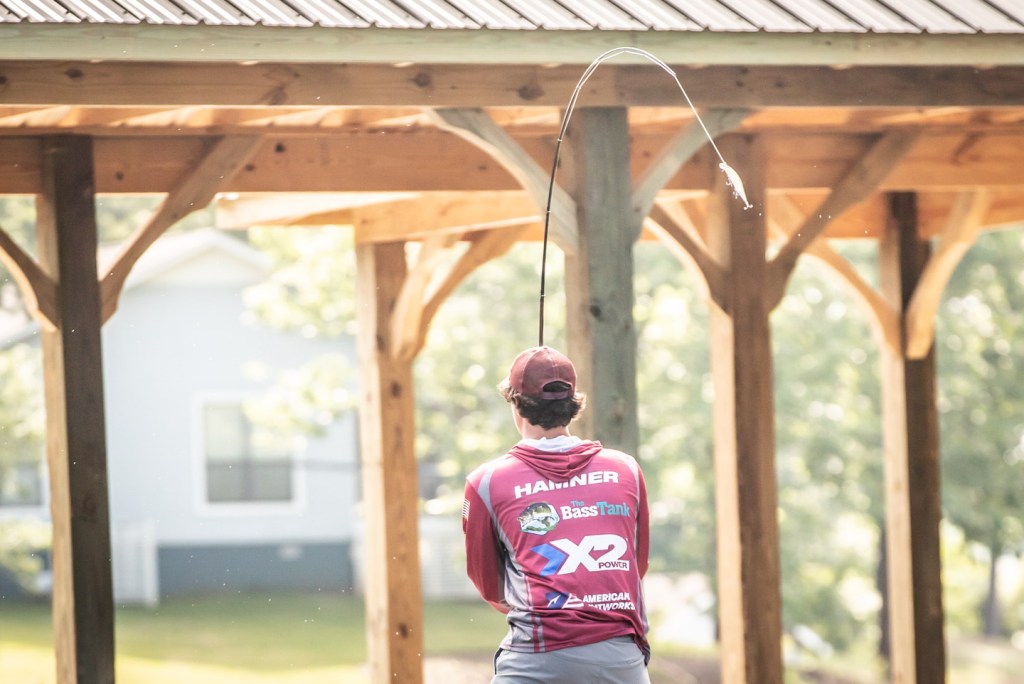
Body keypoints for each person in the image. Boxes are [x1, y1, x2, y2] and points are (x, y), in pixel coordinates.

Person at [463, 346, 651, 683]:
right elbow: (636, 566)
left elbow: (490, 587)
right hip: (622, 659)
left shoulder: (485, 483)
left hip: (536, 657)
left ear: (516, 404)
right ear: (572, 405)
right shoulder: (627, 470)